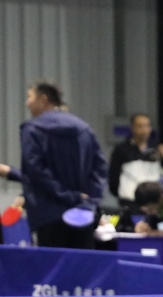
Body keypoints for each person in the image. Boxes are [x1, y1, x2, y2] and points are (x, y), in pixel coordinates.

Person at [0, 80, 107, 249]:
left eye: (29, 97)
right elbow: (100, 167)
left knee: (52, 264)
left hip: (49, 217)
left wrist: (68, 196)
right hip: (83, 215)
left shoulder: (32, 129)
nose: (27, 103)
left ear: (43, 99)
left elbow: (36, 171)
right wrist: (89, 200)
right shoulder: (84, 128)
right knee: (81, 264)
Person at [108, 113, 163, 212]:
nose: (144, 130)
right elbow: (113, 178)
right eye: (140, 126)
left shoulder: (156, 149)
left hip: (153, 202)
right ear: (132, 128)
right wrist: (123, 194)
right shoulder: (121, 150)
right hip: (130, 202)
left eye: (147, 126)